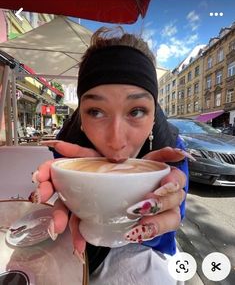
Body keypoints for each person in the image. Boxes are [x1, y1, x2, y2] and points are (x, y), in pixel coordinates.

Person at [30, 27, 192, 284]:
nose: (116, 142)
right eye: (96, 111)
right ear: (81, 117)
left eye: (136, 111)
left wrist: (156, 224)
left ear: (153, 116)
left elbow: (172, 219)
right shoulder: (65, 150)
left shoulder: (172, 150)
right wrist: (71, 203)